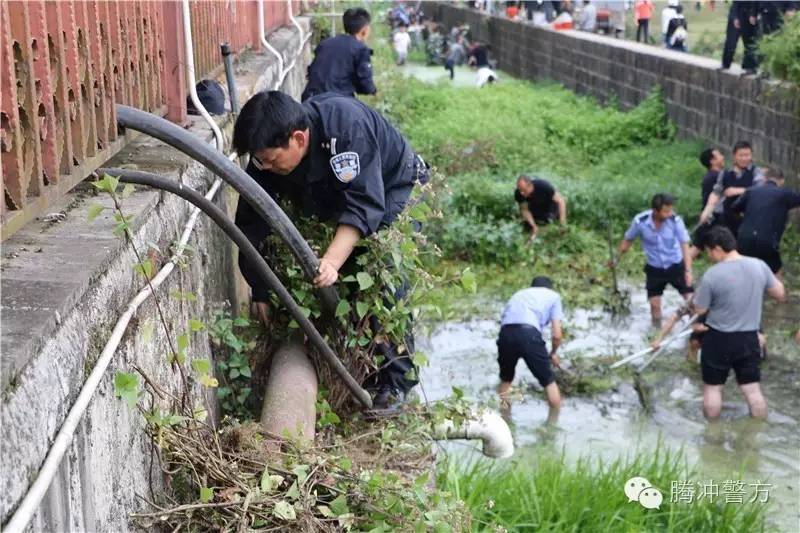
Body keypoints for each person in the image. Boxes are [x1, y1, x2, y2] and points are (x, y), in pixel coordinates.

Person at [232, 91, 430, 409]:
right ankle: (357, 364)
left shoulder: (345, 128)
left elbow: (366, 202)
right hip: (345, 200)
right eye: (260, 161)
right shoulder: (265, 160)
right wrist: (260, 290)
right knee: (346, 278)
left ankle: (395, 384)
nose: (265, 167)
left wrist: (332, 261)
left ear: (297, 138)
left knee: (381, 271)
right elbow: (252, 223)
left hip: (397, 187)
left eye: (270, 159)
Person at [693, 226, 786, 419]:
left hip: (718, 338)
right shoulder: (759, 265)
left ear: (717, 248)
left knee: (713, 389)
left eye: (709, 252)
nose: (709, 256)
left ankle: (712, 436)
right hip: (749, 338)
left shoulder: (713, 274)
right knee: (752, 390)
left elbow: (700, 309)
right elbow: (780, 294)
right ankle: (756, 434)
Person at [612, 193, 693, 324]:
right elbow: (628, 240)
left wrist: (688, 271)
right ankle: (655, 331)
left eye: (670, 210)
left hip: (676, 266)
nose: (669, 213)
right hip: (654, 269)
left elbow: (685, 246)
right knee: (654, 304)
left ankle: (693, 330)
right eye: (666, 211)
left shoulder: (675, 221)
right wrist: (616, 259)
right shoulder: (640, 221)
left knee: (690, 300)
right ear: (655, 211)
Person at [497, 276, 564, 409]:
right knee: (549, 382)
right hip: (528, 334)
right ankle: (553, 424)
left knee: (506, 379)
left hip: (506, 333)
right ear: (549, 287)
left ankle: (505, 420)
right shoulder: (553, 296)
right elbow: (557, 335)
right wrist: (553, 353)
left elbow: (506, 318)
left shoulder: (518, 294)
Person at [734, 167, 800, 278]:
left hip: (744, 239)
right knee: (776, 271)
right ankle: (777, 294)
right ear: (782, 181)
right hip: (767, 241)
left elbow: (735, 208)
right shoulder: (785, 194)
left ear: (765, 179)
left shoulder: (751, 191)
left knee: (743, 272)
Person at [301, 8, 376, 102]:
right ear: (364, 30)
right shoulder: (361, 49)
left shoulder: (325, 43)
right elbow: (366, 84)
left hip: (309, 99)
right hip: (336, 104)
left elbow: (312, 72)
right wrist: (374, 91)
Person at [719, 140, 761, 236]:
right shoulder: (725, 173)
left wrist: (738, 190)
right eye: (741, 155)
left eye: (747, 155)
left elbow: (760, 191)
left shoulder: (756, 172)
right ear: (734, 156)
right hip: (727, 219)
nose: (745, 158)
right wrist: (707, 211)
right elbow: (716, 193)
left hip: (749, 219)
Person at [692, 147, 726, 256]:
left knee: (700, 246)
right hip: (712, 216)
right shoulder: (716, 177)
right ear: (712, 161)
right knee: (696, 248)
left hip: (710, 215)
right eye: (720, 155)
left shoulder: (711, 176)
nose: (723, 157)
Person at [515, 175, 567, 240]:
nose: (521, 193)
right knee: (528, 226)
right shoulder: (519, 193)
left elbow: (561, 201)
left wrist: (563, 223)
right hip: (536, 208)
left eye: (524, 190)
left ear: (530, 186)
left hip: (550, 207)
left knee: (549, 221)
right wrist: (533, 226)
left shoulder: (543, 186)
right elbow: (525, 210)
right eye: (520, 190)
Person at [720, 1, 759, 74]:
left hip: (750, 13)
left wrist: (753, 14)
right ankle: (725, 63)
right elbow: (735, 3)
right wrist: (735, 17)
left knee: (749, 42)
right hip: (738, 11)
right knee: (730, 41)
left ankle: (750, 67)